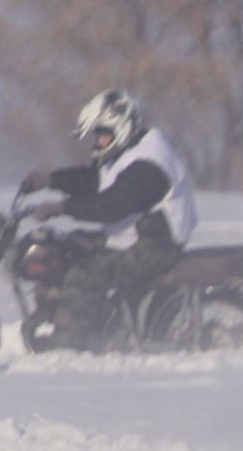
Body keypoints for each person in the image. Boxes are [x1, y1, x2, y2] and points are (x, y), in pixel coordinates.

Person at [19, 88, 197, 346]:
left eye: (102, 136)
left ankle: (70, 343)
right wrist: (49, 180)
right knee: (69, 248)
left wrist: (62, 208)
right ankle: (90, 320)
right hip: (133, 236)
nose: (97, 143)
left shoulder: (150, 162)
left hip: (156, 246)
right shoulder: (131, 151)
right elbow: (96, 181)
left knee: (83, 274)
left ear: (120, 128)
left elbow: (111, 206)